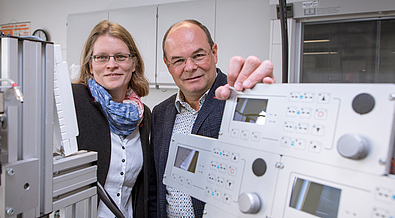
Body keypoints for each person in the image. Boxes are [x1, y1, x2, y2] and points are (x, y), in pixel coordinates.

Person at [151, 19, 275, 218]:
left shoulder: (240, 98)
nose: (190, 67)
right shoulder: (160, 113)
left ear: (214, 52)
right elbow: (156, 186)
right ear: (167, 64)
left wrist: (263, 98)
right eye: (178, 60)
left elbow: (270, 156)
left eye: (198, 55)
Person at [72, 20, 157, 217]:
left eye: (121, 56)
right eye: (102, 57)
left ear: (134, 63)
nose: (112, 65)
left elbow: (141, 189)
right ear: (90, 66)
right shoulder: (75, 101)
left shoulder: (143, 114)